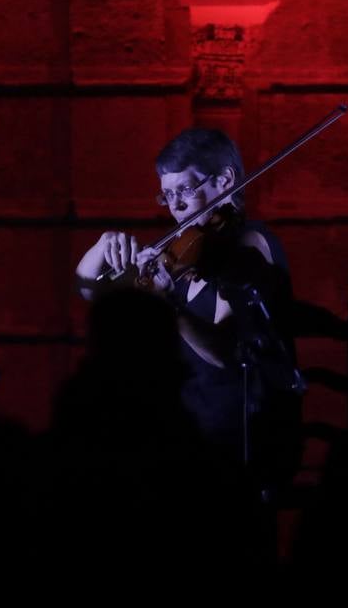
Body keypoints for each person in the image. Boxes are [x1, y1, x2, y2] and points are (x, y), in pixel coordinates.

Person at [74, 128, 300, 486]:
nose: (176, 206)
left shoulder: (246, 247)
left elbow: (226, 351)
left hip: (239, 429)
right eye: (167, 195)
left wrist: (168, 304)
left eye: (185, 190)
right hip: (194, 424)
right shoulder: (184, 254)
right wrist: (104, 245)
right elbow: (88, 289)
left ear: (225, 180)